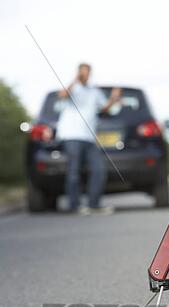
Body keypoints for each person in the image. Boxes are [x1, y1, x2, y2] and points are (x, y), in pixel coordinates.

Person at [56, 63, 121, 213]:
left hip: (89, 137)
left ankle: (94, 204)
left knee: (98, 170)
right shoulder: (73, 88)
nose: (85, 75)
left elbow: (104, 108)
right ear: (79, 73)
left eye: (87, 73)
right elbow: (62, 96)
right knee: (74, 170)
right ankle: (75, 205)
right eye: (82, 73)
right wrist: (75, 80)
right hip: (71, 135)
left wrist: (113, 98)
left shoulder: (94, 91)